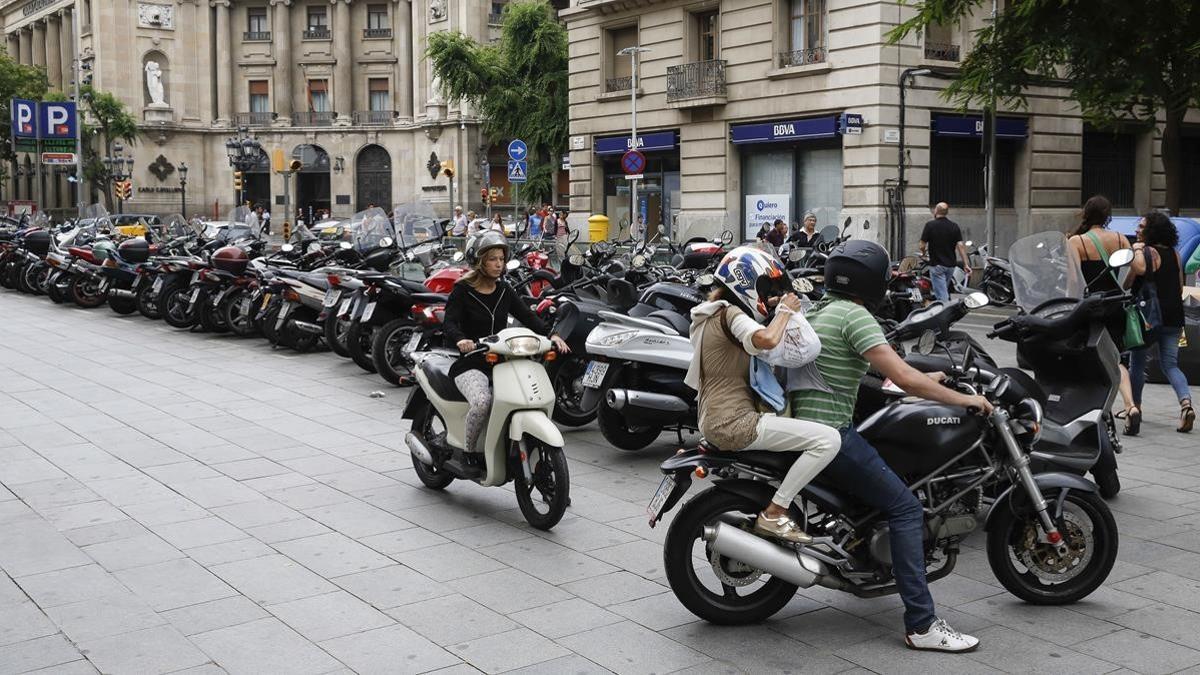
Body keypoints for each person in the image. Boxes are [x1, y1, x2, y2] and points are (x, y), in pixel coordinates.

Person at [786, 239, 988, 652]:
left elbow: (887, 374)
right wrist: (967, 399)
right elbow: (904, 378)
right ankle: (922, 624)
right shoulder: (856, 316)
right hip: (830, 435)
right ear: (871, 282)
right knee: (907, 508)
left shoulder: (822, 309)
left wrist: (931, 381)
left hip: (805, 428)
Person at [685, 247, 841, 543]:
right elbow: (766, 339)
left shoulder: (712, 314)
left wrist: (773, 309)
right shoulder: (730, 314)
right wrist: (785, 311)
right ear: (745, 284)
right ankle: (775, 511)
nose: (766, 294)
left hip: (712, 419)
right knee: (828, 440)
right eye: (764, 287)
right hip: (734, 423)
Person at [442, 231, 570, 453]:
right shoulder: (463, 290)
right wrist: (462, 340)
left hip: (502, 361)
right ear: (480, 261)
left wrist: (552, 335)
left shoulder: (504, 290)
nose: (498, 264)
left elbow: (528, 317)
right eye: (492, 259)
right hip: (471, 362)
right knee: (482, 403)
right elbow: (450, 323)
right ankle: (468, 452)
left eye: (501, 259)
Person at [1067, 195, 1137, 432]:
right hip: (1116, 304)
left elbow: (1074, 279)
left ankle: (1091, 406)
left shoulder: (1077, 241)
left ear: (1086, 213)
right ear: (1108, 216)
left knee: (1088, 355)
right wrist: (1124, 286)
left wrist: (1069, 307)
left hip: (1092, 307)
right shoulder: (1119, 238)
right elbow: (1136, 267)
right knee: (1115, 358)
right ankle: (1130, 406)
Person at [1126, 212, 1194, 434]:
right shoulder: (1174, 253)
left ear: (1152, 231)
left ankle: (1135, 408)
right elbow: (1180, 287)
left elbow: (1133, 276)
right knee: (1171, 364)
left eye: (1142, 226)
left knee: (1137, 362)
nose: (1138, 229)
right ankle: (1186, 404)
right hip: (1174, 315)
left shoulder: (1145, 252)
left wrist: (1136, 249)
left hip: (1149, 318)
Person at [919, 203, 970, 302]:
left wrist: (923, 253)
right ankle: (939, 309)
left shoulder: (930, 225)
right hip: (951, 266)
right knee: (943, 290)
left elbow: (922, 245)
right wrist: (966, 264)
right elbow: (960, 246)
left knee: (942, 295)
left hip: (937, 265)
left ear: (936, 211)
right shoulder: (954, 226)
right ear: (946, 213)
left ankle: (945, 312)